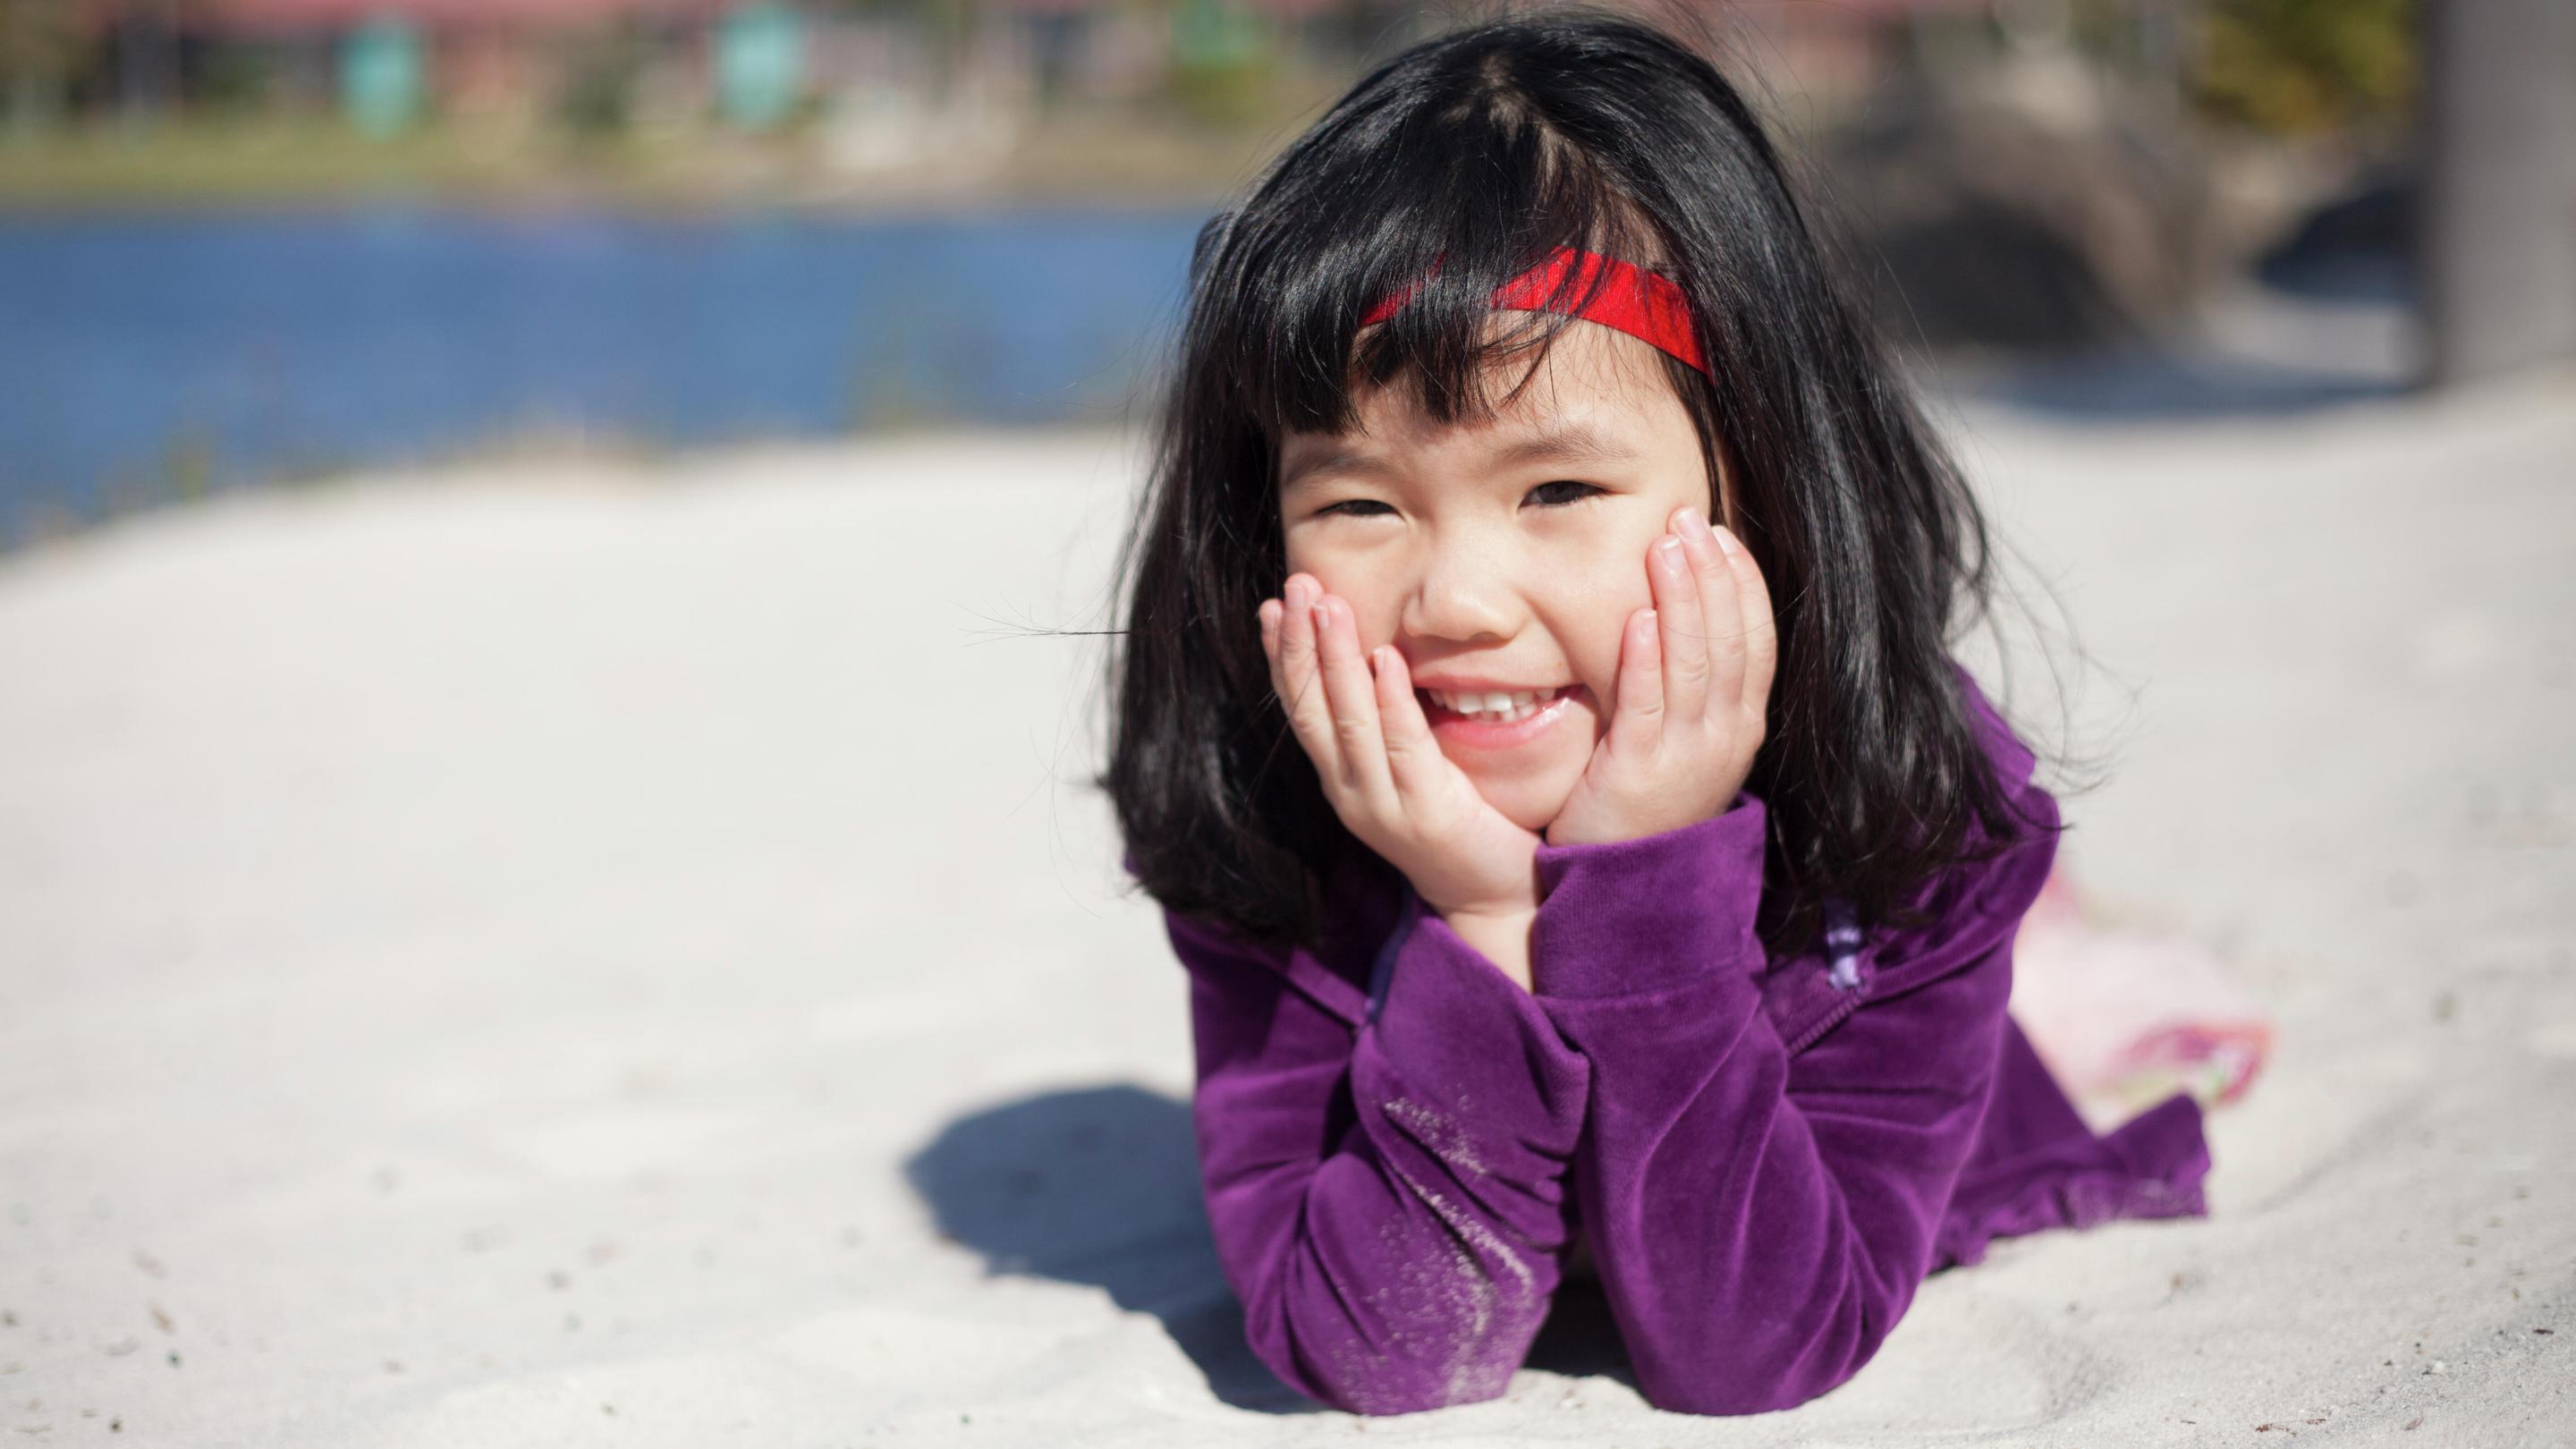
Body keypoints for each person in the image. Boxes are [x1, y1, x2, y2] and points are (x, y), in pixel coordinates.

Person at [1098, 7, 2213, 1418]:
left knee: (2054, 1018)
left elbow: (1754, 1346)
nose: (1454, 601)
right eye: (1360, 503)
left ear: (1762, 475)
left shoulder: (1911, 824)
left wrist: (1635, 892)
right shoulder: (1269, 826)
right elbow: (1381, 1350)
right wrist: (1490, 926)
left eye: (1558, 491)